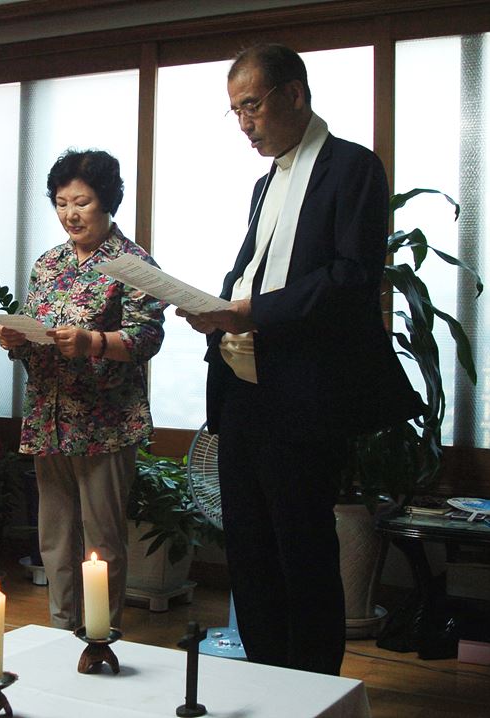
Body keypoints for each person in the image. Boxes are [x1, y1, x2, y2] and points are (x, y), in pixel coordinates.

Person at [177, 45, 422, 674]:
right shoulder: (265, 183)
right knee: (249, 548)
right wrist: (217, 310)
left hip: (305, 393)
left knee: (302, 547)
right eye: (235, 112)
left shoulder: (352, 167)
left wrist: (252, 311)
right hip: (242, 387)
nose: (244, 124)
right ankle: (265, 678)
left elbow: (350, 276)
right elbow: (254, 270)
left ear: (294, 94)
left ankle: (312, 689)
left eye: (251, 106)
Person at [0, 149, 166, 632]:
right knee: (54, 537)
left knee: (102, 541)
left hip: (104, 423)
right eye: (61, 203)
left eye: (82, 202)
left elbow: (147, 338)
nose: (70, 214)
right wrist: (16, 339)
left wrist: (93, 342)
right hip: (47, 417)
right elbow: (36, 331)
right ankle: (59, 630)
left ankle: (99, 636)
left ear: (107, 201)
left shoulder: (133, 263)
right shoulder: (48, 264)